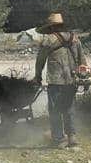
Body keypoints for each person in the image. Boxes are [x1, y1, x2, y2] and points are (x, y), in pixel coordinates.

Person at [34, 12, 87, 149]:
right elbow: (83, 61)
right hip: (72, 79)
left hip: (56, 80)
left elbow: (40, 61)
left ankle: (58, 139)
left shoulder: (49, 40)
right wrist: (84, 79)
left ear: (51, 27)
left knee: (55, 109)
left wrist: (37, 77)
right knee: (69, 108)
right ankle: (72, 137)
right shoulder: (75, 38)